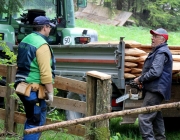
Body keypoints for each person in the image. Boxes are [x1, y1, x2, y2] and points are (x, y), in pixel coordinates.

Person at [14, 16, 56, 140]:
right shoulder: (41, 45)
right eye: (49, 27)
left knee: (31, 118)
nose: (50, 31)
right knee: (35, 123)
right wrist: (51, 93)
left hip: (22, 87)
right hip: (34, 90)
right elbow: (46, 73)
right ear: (44, 27)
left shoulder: (26, 39)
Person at [134, 28, 172, 140]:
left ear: (162, 40)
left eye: (155, 36)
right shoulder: (158, 51)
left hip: (156, 89)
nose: (152, 38)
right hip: (155, 88)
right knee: (156, 117)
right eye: (153, 36)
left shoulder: (161, 52)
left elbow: (155, 72)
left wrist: (140, 79)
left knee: (144, 118)